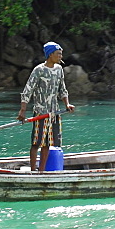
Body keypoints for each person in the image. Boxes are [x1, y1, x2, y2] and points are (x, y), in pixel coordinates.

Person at [17, 41, 75, 172]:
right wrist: (23, 110)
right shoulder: (39, 70)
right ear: (50, 55)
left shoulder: (59, 70)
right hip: (40, 112)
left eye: (61, 54)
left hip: (54, 112)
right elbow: (28, 90)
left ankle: (41, 171)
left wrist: (67, 104)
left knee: (48, 143)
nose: (60, 56)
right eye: (58, 54)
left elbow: (62, 89)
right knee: (36, 143)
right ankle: (33, 171)